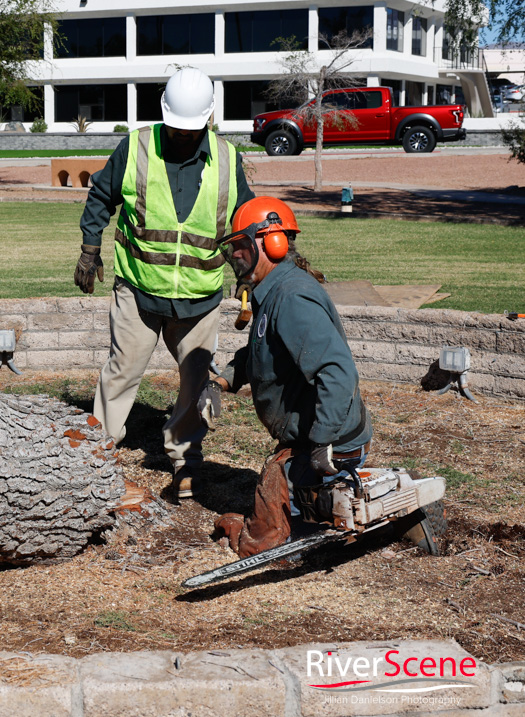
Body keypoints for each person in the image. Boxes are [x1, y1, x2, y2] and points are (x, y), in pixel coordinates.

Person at [74, 67, 255, 502]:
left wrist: (248, 275)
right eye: (176, 127)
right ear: (164, 116)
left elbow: (242, 220)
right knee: (121, 371)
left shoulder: (228, 160)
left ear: (209, 120)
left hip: (199, 298)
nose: (182, 135)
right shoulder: (135, 148)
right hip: (138, 289)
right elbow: (101, 193)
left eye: (191, 129)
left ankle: (186, 460)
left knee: (195, 381)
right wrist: (89, 248)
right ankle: (95, 455)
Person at [203, 196, 373, 557]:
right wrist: (221, 381)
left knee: (265, 531)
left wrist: (324, 442)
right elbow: (261, 352)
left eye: (240, 246)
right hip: (311, 439)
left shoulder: (292, 297)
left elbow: (337, 371)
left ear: (270, 242)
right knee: (277, 490)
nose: (234, 256)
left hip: (328, 444)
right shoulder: (273, 291)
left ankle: (302, 531)